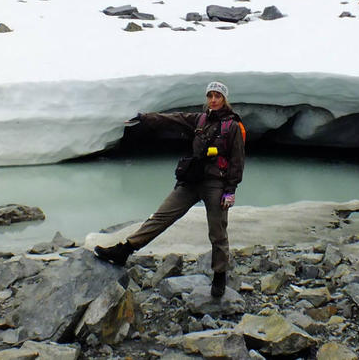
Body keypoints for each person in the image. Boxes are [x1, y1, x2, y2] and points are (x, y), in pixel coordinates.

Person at [95, 81, 246, 298]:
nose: (213, 100)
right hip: (192, 181)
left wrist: (230, 190)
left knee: (218, 232)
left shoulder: (232, 126)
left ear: (224, 99)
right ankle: (124, 250)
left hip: (216, 184)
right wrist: (145, 118)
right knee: (160, 217)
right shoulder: (200, 119)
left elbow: (237, 160)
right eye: (210, 95)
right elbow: (173, 119)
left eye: (217, 96)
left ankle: (220, 276)